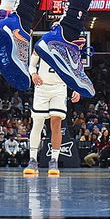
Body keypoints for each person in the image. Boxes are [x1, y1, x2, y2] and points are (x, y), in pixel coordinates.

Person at [23, 48, 80, 177]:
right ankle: (32, 160)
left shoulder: (68, 48)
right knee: (37, 123)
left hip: (59, 88)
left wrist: (77, 88)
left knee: (56, 124)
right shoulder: (42, 45)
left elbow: (75, 70)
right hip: (42, 87)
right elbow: (31, 65)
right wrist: (33, 74)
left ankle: (54, 161)